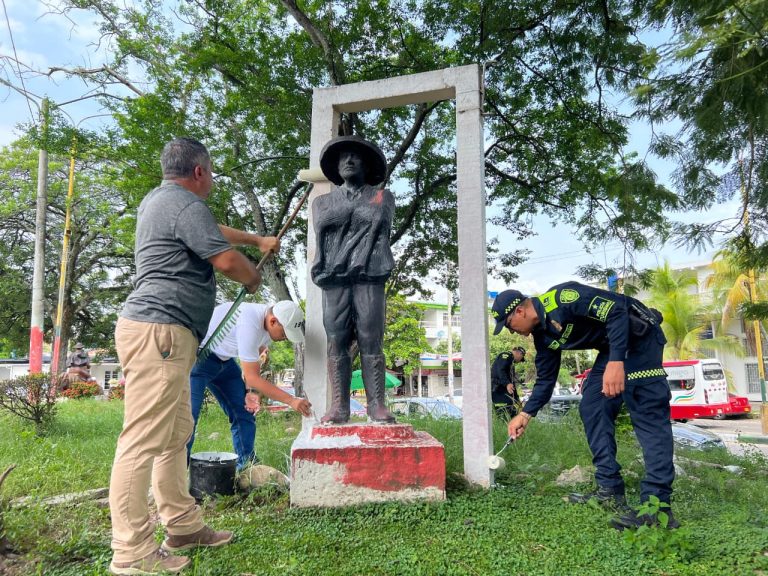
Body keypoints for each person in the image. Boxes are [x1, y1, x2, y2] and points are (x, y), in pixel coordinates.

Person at [109, 137, 279, 575]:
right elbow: (226, 261)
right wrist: (252, 274)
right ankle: (131, 553)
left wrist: (256, 239)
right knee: (143, 440)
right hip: (159, 332)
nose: (213, 181)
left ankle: (182, 525)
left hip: (169, 334)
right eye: (212, 174)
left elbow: (215, 234)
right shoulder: (185, 204)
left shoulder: (164, 202)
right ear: (199, 172)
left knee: (174, 435)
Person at [492, 282, 677, 530]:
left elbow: (617, 312)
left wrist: (616, 362)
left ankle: (656, 507)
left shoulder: (564, 298)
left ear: (519, 312)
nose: (511, 332)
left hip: (640, 336)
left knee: (647, 415)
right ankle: (609, 489)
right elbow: (546, 379)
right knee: (592, 406)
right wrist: (525, 414)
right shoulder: (543, 337)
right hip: (613, 349)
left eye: (508, 325)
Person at [311, 135, 396, 424]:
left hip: (369, 274)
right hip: (333, 277)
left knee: (371, 337)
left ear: (366, 164)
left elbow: (377, 219)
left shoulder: (382, 196)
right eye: (343, 157)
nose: (348, 161)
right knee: (336, 339)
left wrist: (346, 216)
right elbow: (325, 222)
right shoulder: (322, 202)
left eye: (355, 157)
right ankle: (339, 407)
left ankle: (376, 405)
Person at [187, 300, 312, 470]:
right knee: (187, 419)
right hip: (200, 359)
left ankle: (246, 465)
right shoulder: (249, 321)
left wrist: (250, 392)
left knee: (244, 410)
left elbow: (255, 356)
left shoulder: (268, 325)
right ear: (273, 321)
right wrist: (291, 400)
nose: (285, 338)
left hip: (224, 361)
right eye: (284, 333)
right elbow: (253, 377)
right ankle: (178, 473)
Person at [490, 346, 526, 418]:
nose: (519, 361)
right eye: (521, 358)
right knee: (503, 414)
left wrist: (517, 399)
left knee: (513, 414)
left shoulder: (511, 363)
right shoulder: (505, 355)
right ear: (519, 354)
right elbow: (501, 370)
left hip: (505, 392)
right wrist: (507, 383)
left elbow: (512, 383)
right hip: (499, 390)